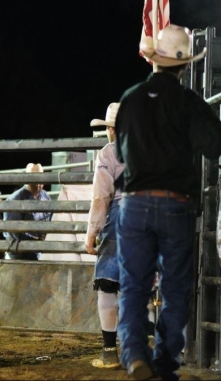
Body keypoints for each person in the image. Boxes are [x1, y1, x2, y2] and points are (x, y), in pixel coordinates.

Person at [115, 25, 221, 380]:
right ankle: (165, 363)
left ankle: (133, 354)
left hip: (134, 203)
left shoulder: (130, 98)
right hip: (176, 204)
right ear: (184, 66)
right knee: (175, 288)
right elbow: (214, 146)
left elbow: (120, 152)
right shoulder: (189, 102)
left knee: (134, 284)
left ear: (154, 60)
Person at [85, 102, 156, 369]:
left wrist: (92, 232)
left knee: (108, 282)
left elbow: (101, 196)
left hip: (122, 216)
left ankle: (109, 352)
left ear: (112, 129)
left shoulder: (109, 153)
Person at [3, 163, 52, 260]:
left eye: (41, 177)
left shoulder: (45, 196)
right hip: (19, 255)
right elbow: (12, 231)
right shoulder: (15, 199)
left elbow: (50, 220)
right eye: (34, 178)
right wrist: (34, 240)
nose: (38, 182)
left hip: (39, 252)